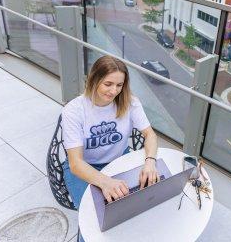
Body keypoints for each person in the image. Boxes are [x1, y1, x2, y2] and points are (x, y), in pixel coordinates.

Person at [61, 55, 159, 210]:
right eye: (108, 84)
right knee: (95, 216)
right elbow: (76, 163)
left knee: (138, 203)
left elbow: (150, 135)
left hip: (119, 160)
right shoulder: (74, 111)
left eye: (119, 85)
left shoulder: (130, 103)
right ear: (94, 79)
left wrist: (150, 161)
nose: (114, 91)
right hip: (85, 167)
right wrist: (105, 182)